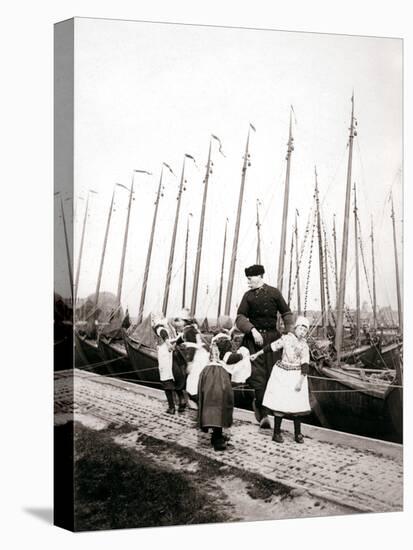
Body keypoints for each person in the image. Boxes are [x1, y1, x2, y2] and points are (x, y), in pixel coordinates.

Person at [236, 264, 293, 429]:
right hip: (254, 342)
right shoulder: (247, 296)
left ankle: (270, 411)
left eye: (250, 278)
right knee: (258, 377)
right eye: (247, 278)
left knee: (272, 376)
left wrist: (289, 333)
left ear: (260, 276)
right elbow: (240, 317)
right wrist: (252, 330)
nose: (248, 282)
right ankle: (263, 415)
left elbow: (287, 313)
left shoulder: (274, 293)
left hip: (273, 340)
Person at [250, 316, 311, 444]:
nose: (302, 332)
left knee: (297, 405)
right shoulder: (286, 339)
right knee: (280, 403)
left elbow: (305, 364)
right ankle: (276, 433)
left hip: (296, 375)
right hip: (283, 373)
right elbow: (272, 347)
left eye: (305, 330)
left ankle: (297, 433)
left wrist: (300, 381)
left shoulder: (304, 346)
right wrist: (257, 354)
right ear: (296, 328)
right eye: (300, 328)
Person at [197, 338, 235, 451]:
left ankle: (215, 435)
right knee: (219, 407)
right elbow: (226, 391)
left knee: (212, 408)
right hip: (217, 389)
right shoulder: (221, 371)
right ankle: (218, 440)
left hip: (209, 389)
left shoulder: (206, 369)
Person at [152, 314, 187, 415]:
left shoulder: (159, 327)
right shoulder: (171, 328)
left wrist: (167, 343)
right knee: (177, 379)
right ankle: (182, 402)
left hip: (165, 356)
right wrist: (174, 344)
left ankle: (171, 407)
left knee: (166, 381)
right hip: (175, 356)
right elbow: (180, 338)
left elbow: (161, 332)